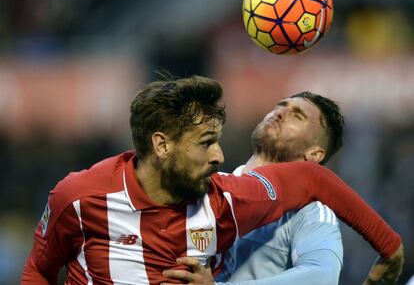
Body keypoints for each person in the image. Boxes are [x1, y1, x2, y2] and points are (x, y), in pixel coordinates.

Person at [22, 75, 402, 285]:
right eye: (206, 143)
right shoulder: (78, 196)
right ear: (163, 144)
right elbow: (40, 268)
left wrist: (390, 247)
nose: (219, 156)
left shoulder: (224, 201)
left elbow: (311, 180)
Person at [162, 92, 403, 285]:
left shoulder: (309, 210)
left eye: (297, 116)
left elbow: (322, 277)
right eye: (280, 106)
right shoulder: (213, 185)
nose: (278, 113)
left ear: (314, 154)